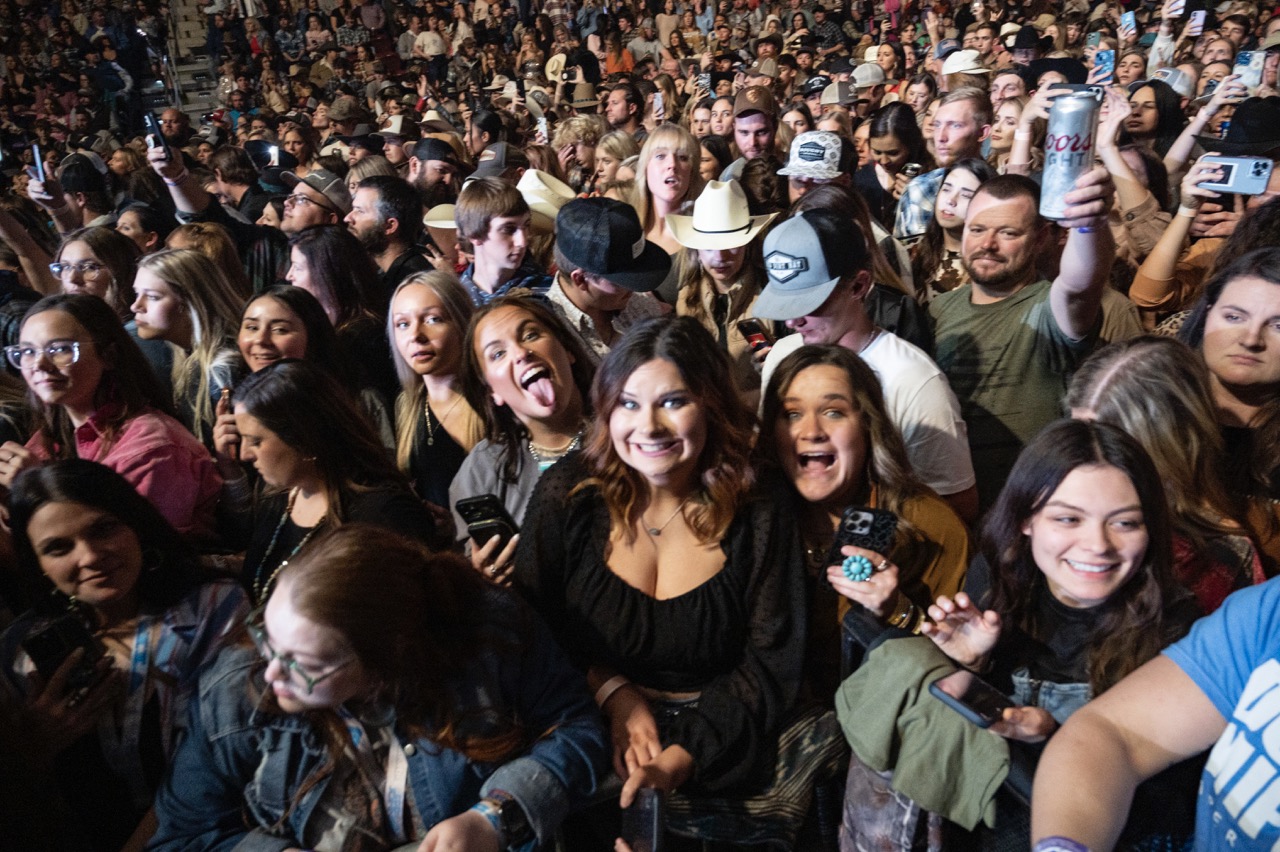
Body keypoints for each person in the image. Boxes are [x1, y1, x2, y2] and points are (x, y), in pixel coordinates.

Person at [844, 419, 1199, 849]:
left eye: (1124, 523)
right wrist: (973, 663)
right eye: (1068, 519)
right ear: (1027, 518)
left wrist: (1054, 738)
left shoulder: (1178, 628)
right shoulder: (999, 579)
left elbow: (1170, 806)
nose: (1097, 545)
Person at [514, 317, 808, 832]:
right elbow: (531, 629)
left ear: (711, 406)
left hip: (725, 739)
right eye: (628, 404)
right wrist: (613, 692)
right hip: (585, 728)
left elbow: (770, 662)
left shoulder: (759, 505)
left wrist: (677, 759)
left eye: (672, 402)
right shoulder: (569, 494)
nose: (648, 427)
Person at [148, 524, 609, 851]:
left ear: (385, 663)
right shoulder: (233, 690)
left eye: (304, 664)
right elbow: (183, 836)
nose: (271, 673)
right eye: (267, 636)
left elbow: (576, 729)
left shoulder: (488, 638)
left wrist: (495, 817)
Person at [0, 460, 248, 852]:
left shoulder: (212, 610)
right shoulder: (21, 651)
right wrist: (33, 748)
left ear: (136, 525)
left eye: (103, 529)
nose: (90, 556)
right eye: (58, 548)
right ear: (38, 564)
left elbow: (215, 760)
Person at [758, 344, 971, 698]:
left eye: (834, 412)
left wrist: (896, 611)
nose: (812, 431)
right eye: (792, 414)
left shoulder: (927, 524)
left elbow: (963, 664)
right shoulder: (753, 519)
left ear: (868, 425)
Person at [756, 209, 979, 524]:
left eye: (808, 303)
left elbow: (957, 509)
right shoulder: (782, 356)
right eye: (784, 303)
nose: (793, 321)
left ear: (859, 286)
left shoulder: (913, 380)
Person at [929, 171, 1116, 510]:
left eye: (1008, 233)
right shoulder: (938, 309)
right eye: (977, 229)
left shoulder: (1047, 308)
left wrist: (1091, 223)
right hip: (950, 504)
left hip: (1025, 506)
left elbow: (1081, 285)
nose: (988, 244)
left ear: (1041, 238)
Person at [214, 359, 439, 605]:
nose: (245, 454)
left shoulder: (383, 514)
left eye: (256, 441)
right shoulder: (277, 497)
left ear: (303, 437)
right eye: (243, 439)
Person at [0, 293, 222, 538]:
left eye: (60, 349)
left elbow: (129, 549)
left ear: (109, 356)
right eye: (28, 352)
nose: (40, 364)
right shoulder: (55, 433)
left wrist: (36, 490)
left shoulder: (151, 448)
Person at [1067, 337, 1264, 612]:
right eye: (1079, 437)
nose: (1084, 460)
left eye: (1107, 445)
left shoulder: (1218, 558)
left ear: (1166, 444)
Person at [451, 296, 595, 567]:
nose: (520, 353)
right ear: (491, 391)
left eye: (531, 335)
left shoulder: (627, 435)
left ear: (567, 349)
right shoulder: (482, 468)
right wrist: (482, 576)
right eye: (498, 354)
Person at [388, 271, 483, 511]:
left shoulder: (493, 401)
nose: (415, 336)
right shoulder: (407, 405)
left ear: (463, 322)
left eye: (433, 319)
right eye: (403, 324)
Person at [132, 248, 244, 445]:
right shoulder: (184, 354)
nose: (135, 306)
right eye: (137, 293)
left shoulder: (223, 372)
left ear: (189, 302)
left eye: (153, 297)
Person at [547, 198, 669, 364]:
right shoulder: (552, 334)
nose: (632, 289)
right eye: (621, 281)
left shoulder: (640, 306)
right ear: (580, 279)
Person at [454, 177, 553, 306]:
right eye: (508, 229)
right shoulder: (454, 302)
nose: (522, 242)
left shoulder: (549, 295)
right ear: (474, 235)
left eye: (526, 225)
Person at [909, 158, 997, 301]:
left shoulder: (988, 262)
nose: (951, 200)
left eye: (966, 195)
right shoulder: (909, 251)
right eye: (946, 189)